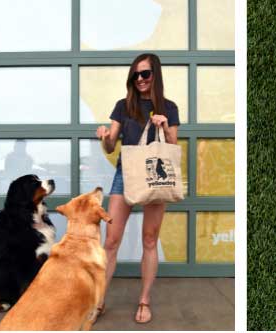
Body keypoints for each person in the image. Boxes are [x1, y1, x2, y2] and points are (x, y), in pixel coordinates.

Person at [94, 53, 179, 324]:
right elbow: (111, 146)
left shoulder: (169, 107)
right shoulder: (123, 105)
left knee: (150, 240)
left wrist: (164, 124)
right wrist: (105, 138)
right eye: (135, 75)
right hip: (125, 173)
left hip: (155, 173)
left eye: (145, 74)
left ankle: (144, 300)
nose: (140, 79)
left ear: (155, 74)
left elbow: (173, 145)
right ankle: (98, 301)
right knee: (111, 241)